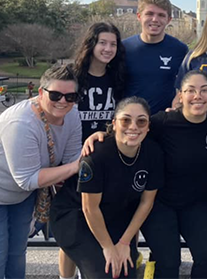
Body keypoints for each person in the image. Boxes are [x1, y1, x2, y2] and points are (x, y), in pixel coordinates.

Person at [84, 70, 207, 279]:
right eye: (191, 90)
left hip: (198, 203)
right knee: (168, 262)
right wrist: (103, 134)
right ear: (180, 95)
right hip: (160, 204)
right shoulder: (163, 122)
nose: (198, 96)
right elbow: (133, 130)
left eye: (204, 90)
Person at [0, 63, 82, 279]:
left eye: (70, 96)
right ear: (41, 93)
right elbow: (28, 179)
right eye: (56, 94)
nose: (63, 101)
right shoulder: (21, 122)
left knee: (16, 257)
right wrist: (77, 165)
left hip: (17, 196)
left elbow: (70, 157)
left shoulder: (73, 115)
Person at [50, 97, 163, 279]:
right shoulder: (97, 155)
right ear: (114, 124)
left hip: (113, 215)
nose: (133, 126)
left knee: (124, 272)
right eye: (125, 120)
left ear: (148, 126)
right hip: (75, 214)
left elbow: (146, 203)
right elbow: (89, 208)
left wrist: (125, 243)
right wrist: (109, 248)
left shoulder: (153, 153)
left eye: (141, 121)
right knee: (104, 273)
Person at [123, 0, 188, 114]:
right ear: (139, 16)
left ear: (169, 20)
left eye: (161, 15)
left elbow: (185, 86)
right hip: (131, 125)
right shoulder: (123, 48)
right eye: (149, 14)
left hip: (165, 124)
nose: (155, 19)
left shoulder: (180, 50)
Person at [74, 22, 126, 142]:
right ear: (91, 44)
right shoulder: (73, 76)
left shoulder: (118, 78)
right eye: (102, 43)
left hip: (105, 150)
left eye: (113, 44)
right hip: (74, 150)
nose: (108, 49)